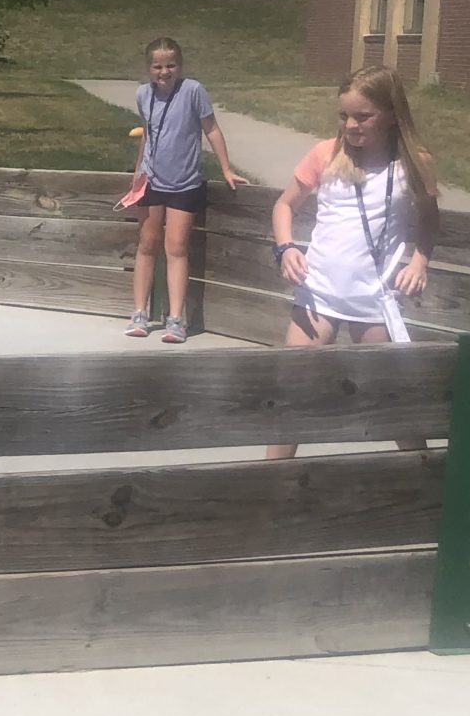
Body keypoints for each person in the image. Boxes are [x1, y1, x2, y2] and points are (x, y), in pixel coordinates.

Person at [266, 65, 440, 460]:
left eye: (363, 116)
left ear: (392, 114)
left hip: (374, 300)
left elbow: (429, 218)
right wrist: (286, 247)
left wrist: (419, 262)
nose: (351, 125)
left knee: (392, 398)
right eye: (344, 116)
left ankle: (426, 478)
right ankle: (268, 486)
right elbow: (284, 205)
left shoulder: (414, 163)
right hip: (319, 293)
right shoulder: (325, 154)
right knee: (293, 393)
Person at [122, 36, 247, 343]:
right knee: (147, 244)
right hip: (151, 180)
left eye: (170, 65)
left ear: (180, 65)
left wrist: (226, 168)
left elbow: (212, 129)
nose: (164, 71)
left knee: (176, 247)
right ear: (148, 68)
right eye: (157, 66)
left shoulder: (193, 91)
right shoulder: (143, 95)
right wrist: (138, 173)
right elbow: (148, 135)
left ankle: (176, 318)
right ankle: (139, 312)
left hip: (184, 182)